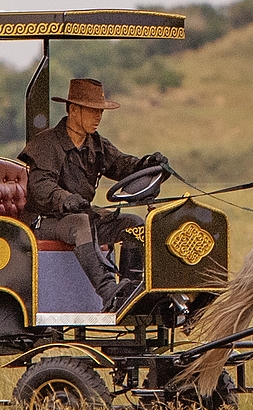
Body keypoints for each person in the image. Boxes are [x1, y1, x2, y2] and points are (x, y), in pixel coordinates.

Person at [19, 77, 166, 312]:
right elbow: (40, 187)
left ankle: (132, 292)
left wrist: (147, 164)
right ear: (74, 110)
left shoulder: (96, 144)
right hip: (46, 221)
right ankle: (108, 292)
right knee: (81, 223)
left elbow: (121, 165)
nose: (98, 117)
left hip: (83, 216)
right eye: (92, 111)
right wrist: (66, 199)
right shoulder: (46, 144)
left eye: (100, 112)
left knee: (134, 224)